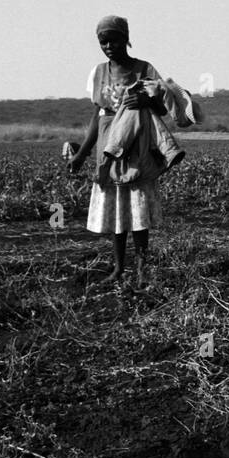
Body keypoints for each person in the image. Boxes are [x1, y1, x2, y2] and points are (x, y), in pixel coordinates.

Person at [68, 15, 185, 286]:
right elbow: (97, 117)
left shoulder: (145, 69)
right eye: (103, 41)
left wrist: (146, 99)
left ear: (126, 39)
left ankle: (142, 269)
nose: (109, 45)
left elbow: (162, 110)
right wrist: (82, 154)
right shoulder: (97, 73)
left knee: (138, 210)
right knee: (117, 213)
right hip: (108, 144)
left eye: (115, 39)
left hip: (138, 143)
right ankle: (119, 269)